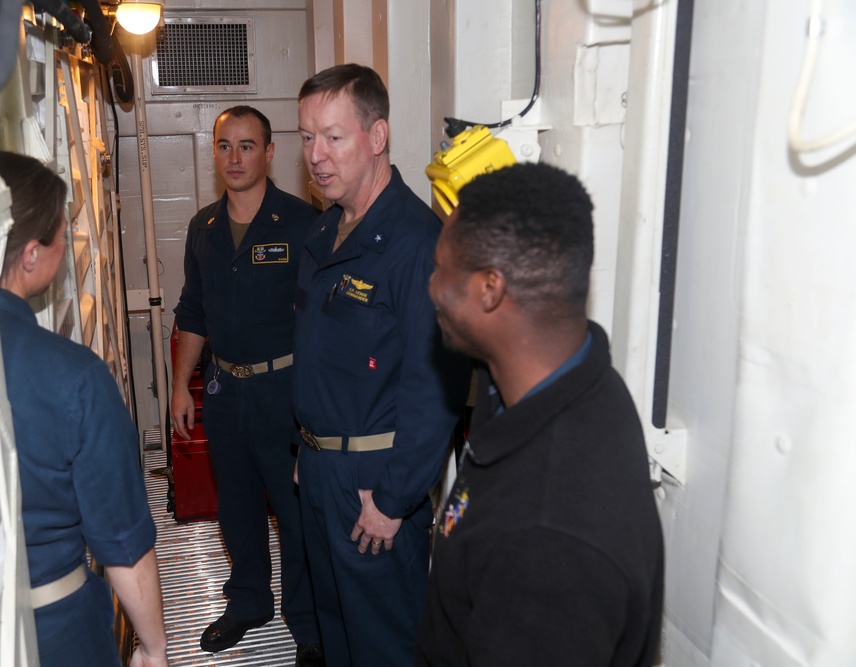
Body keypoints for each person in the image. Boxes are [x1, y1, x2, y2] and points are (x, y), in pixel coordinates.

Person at [416, 162, 665, 666]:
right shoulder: (559, 376)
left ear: (491, 289)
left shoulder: (549, 547)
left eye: (441, 266)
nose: (430, 286)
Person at [293, 64, 472, 666]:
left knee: (385, 645)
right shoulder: (326, 230)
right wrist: (307, 451)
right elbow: (322, 359)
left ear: (377, 136)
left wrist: (394, 500)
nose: (317, 156)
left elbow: (438, 387)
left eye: (333, 137)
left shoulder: (417, 243)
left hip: (374, 483)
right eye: (307, 137)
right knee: (337, 632)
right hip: (321, 472)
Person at [0, 150, 168, 667]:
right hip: (56, 632)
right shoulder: (74, 378)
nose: (68, 246)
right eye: (61, 234)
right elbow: (122, 542)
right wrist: (153, 649)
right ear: (30, 254)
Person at [170, 106, 324, 666]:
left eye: (247, 146)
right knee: (235, 504)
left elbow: (321, 322)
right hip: (223, 389)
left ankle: (307, 623)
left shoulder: (304, 225)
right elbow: (192, 311)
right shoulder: (202, 228)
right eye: (225, 146)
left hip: (283, 392)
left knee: (294, 509)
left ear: (270, 153)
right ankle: (249, 602)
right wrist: (179, 386)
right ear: (214, 152)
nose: (234, 158)